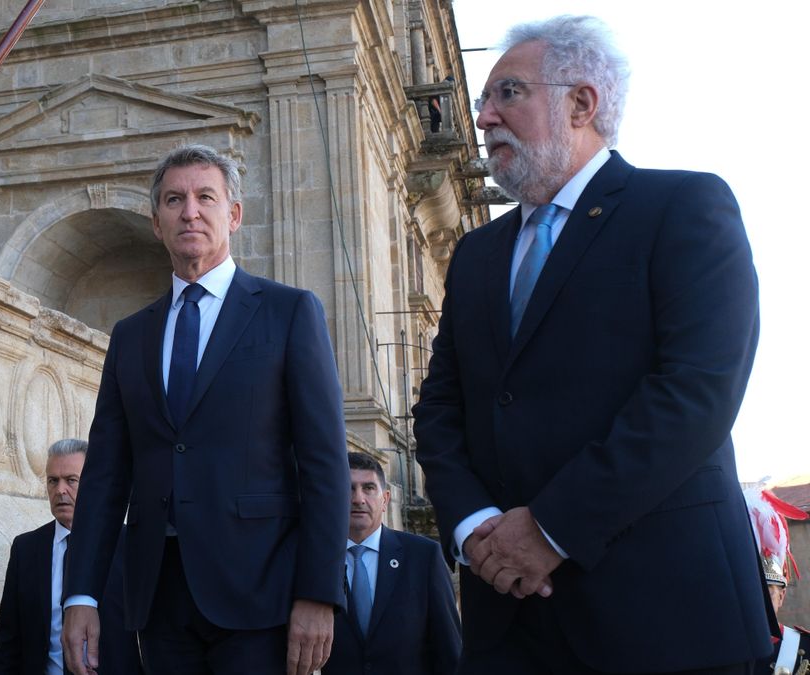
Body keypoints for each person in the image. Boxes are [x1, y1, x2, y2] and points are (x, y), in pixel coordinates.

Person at [412, 15, 769, 675]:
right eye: (483, 101)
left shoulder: (683, 206)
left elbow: (696, 391)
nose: (484, 118)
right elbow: (440, 406)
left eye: (508, 93)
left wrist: (549, 527)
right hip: (507, 620)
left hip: (665, 618)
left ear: (581, 103)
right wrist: (473, 526)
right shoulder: (476, 254)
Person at [62, 144, 349, 675]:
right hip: (158, 597)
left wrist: (318, 591)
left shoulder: (288, 312)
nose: (189, 212)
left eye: (205, 197)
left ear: (233, 215)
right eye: (174, 200)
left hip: (261, 592)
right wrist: (81, 593)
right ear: (156, 222)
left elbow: (325, 463)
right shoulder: (130, 336)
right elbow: (105, 474)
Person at [0, 439, 142, 675]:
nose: (60, 490)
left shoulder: (128, 545)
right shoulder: (26, 549)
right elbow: (8, 642)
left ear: (92, 484)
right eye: (53, 481)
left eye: (71, 480)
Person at [322, 452, 460, 675]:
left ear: (385, 499)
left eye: (368, 488)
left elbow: (450, 650)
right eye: (349, 488)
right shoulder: (316, 559)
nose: (358, 499)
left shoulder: (424, 557)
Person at [744, 487, 809, 675]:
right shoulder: (713, 651)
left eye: (768, 593)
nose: (758, 602)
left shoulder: (805, 647)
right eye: (751, 593)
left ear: (781, 596)